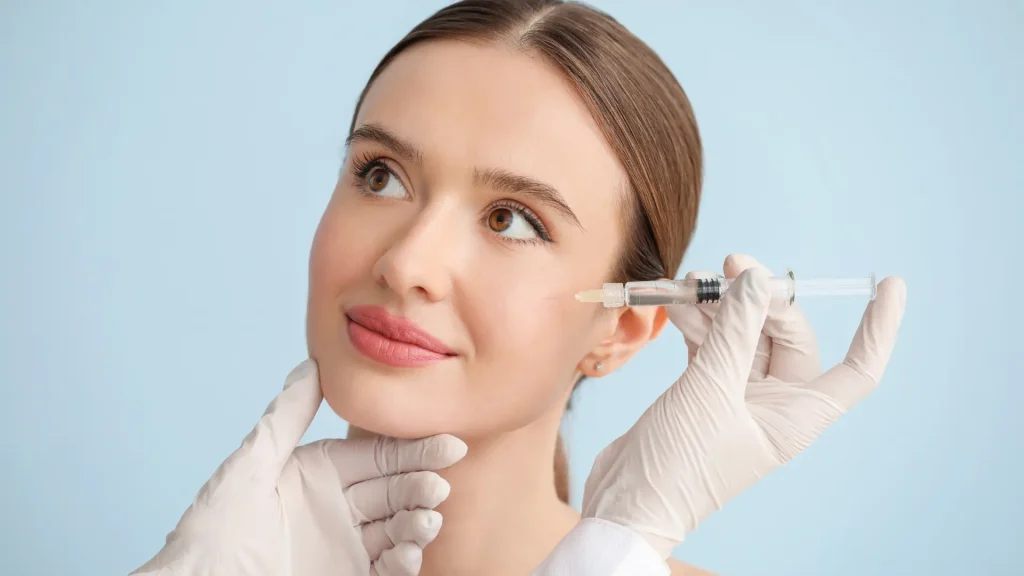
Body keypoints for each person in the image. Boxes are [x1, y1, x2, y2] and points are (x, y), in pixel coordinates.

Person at [134, 0, 907, 574]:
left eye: (511, 220)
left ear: (623, 327)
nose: (406, 265)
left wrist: (616, 550)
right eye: (381, 174)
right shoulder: (226, 551)